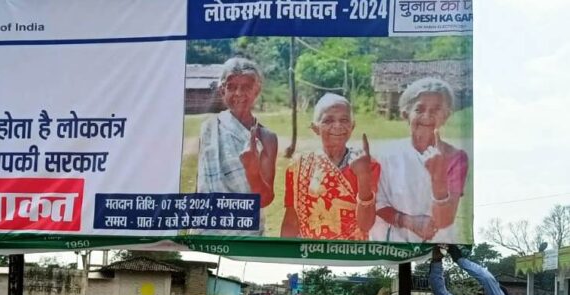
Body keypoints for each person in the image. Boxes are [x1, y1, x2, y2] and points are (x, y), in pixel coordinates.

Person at [371, 78, 469, 242]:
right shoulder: (386, 154)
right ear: (405, 115)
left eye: (436, 110)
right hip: (394, 243)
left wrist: (438, 178)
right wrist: (409, 222)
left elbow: (445, 220)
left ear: (446, 116)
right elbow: (376, 203)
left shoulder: (455, 158)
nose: (427, 116)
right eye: (419, 109)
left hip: (436, 246)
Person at [281, 93, 381, 240]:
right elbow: (291, 219)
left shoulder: (368, 165)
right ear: (315, 128)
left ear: (352, 126)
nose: (338, 126)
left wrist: (363, 176)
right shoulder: (298, 166)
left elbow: (366, 225)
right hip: (311, 254)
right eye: (328, 120)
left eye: (344, 120)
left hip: (351, 256)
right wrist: (285, 256)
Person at [196, 57, 278, 235]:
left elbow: (265, 199)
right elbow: (201, 185)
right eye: (232, 86)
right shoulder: (209, 129)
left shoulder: (266, 138)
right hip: (207, 230)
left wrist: (252, 172)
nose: (239, 93)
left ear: (257, 91)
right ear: (221, 90)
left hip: (247, 235)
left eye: (247, 87)